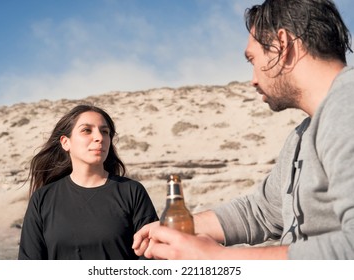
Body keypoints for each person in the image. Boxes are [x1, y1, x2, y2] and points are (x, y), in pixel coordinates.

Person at [132, 0, 354, 260]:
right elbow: (262, 211)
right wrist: (180, 228)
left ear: (282, 44)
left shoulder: (347, 105)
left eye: (252, 59)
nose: (253, 80)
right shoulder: (302, 135)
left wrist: (217, 259)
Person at [18, 104, 158, 260]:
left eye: (105, 132)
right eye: (86, 130)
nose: (99, 138)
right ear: (65, 142)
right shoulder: (42, 199)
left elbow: (150, 258)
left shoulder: (131, 191)